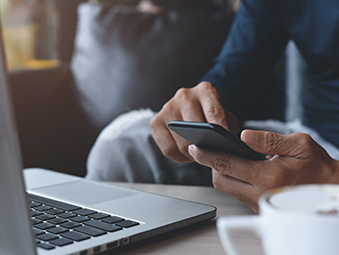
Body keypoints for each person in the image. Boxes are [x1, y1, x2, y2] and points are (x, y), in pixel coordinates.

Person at [87, 0, 339, 213]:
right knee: (120, 150)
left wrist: (332, 180)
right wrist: (204, 107)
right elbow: (238, 73)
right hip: (318, 135)